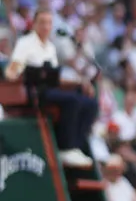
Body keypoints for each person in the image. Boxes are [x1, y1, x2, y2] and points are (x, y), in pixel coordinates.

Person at [4, 9, 98, 167]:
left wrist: (79, 82)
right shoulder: (24, 44)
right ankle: (66, 147)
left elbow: (53, 75)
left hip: (49, 88)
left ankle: (77, 146)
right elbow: (13, 72)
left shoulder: (49, 47)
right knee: (72, 101)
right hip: (33, 91)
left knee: (90, 103)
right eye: (42, 23)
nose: (46, 27)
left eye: (48, 23)